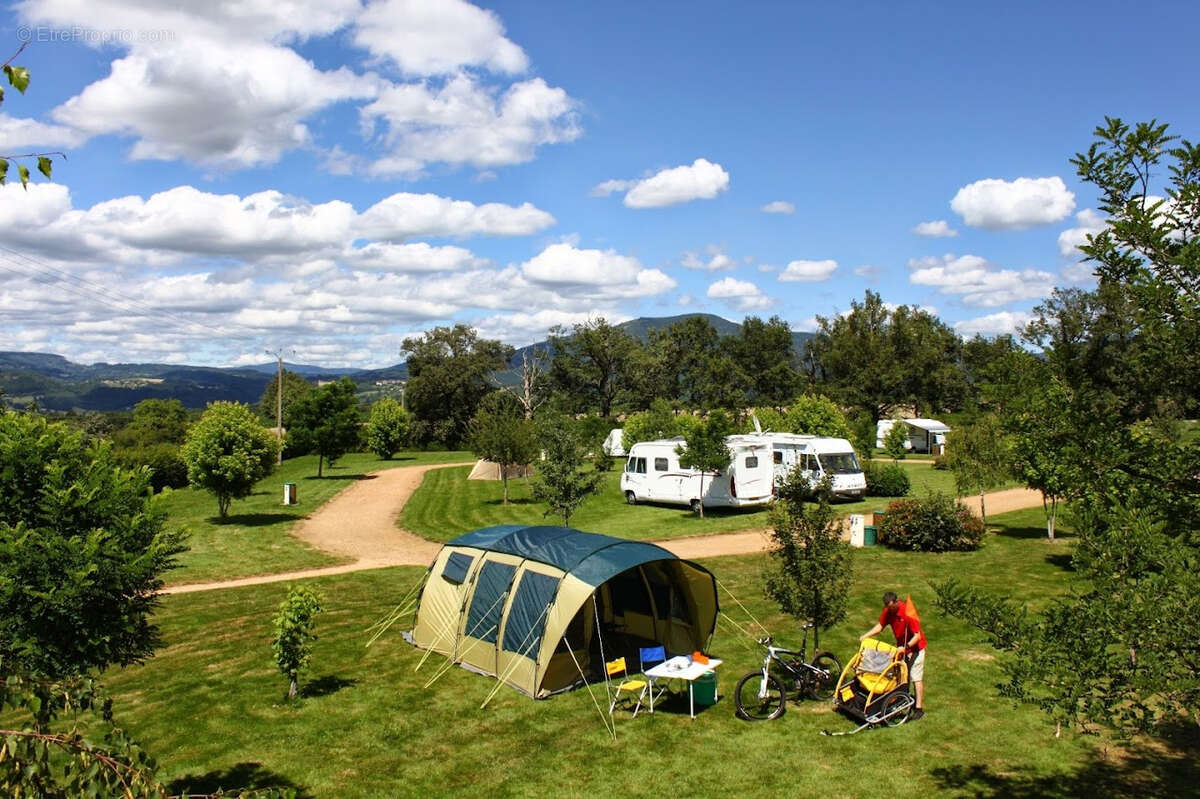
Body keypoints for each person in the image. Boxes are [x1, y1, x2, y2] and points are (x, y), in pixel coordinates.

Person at [860, 591, 926, 720]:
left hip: (916, 648)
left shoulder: (907, 613)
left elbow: (917, 636)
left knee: (915, 676)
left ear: (896, 602)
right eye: (888, 608)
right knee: (900, 675)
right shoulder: (888, 611)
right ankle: (902, 699)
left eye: (892, 607)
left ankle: (919, 709)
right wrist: (866, 635)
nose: (890, 610)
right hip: (901, 649)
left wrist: (905, 648)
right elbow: (880, 626)